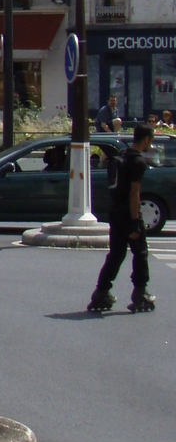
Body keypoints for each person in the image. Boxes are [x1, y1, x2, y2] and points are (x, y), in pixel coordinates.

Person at [88, 124, 156, 315]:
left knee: (116, 254)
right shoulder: (138, 162)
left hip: (115, 211)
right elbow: (134, 193)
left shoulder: (121, 157)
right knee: (140, 252)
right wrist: (135, 222)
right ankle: (140, 292)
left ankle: (101, 291)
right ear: (146, 140)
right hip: (128, 213)